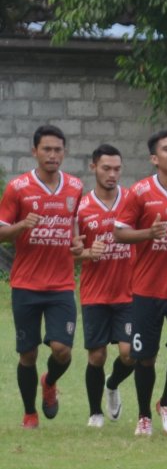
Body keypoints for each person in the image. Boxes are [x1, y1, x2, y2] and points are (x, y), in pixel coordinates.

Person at [115, 129, 167, 437]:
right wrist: (148, 234)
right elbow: (119, 232)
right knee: (144, 357)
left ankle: (166, 402)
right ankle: (143, 416)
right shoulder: (140, 192)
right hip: (146, 289)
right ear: (154, 158)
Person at [0, 124, 83, 427]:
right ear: (34, 152)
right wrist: (20, 227)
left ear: (65, 152)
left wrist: (76, 240)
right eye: (46, 149)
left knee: (62, 350)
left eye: (57, 149)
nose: (52, 155)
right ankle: (29, 412)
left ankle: (49, 383)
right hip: (26, 285)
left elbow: (74, 223)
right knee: (28, 354)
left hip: (61, 285)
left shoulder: (74, 186)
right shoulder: (18, 188)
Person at [76, 144, 135, 427]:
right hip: (95, 292)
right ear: (93, 168)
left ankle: (113, 384)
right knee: (97, 355)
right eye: (106, 168)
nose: (112, 174)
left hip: (129, 291)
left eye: (117, 169)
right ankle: (95, 412)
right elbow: (70, 249)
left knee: (130, 353)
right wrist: (88, 253)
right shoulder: (81, 207)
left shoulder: (133, 201)